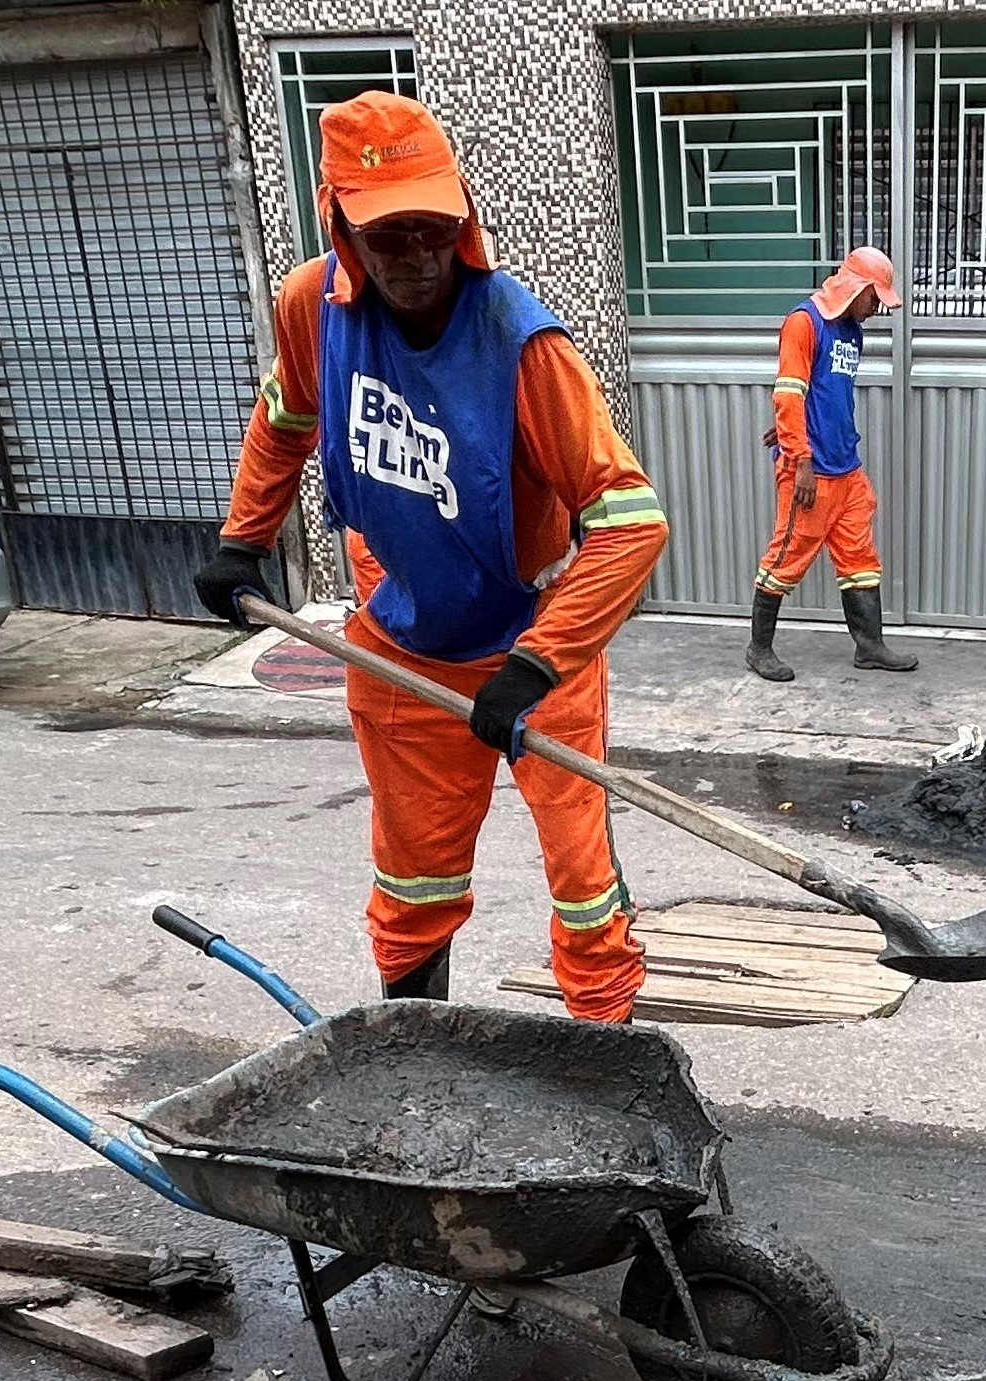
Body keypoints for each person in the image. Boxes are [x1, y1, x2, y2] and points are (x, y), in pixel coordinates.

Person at [197, 93, 668, 1022]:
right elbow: (289, 415)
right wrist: (244, 538)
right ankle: (416, 1058)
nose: (415, 257)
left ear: (463, 221)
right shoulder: (311, 308)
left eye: (432, 229)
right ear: (338, 226)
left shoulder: (523, 347)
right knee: (412, 883)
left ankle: (610, 1059)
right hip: (403, 644)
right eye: (388, 235)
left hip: (536, 646)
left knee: (583, 882)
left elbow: (632, 521)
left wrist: (537, 664)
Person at [748, 247, 913, 682]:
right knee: (786, 557)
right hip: (811, 472)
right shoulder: (805, 323)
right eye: (875, 298)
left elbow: (820, 393)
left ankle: (870, 647)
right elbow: (787, 391)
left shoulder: (851, 331)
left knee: (860, 558)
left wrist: (789, 429)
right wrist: (798, 457)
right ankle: (758, 649)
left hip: (847, 468)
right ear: (856, 288)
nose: (877, 308)